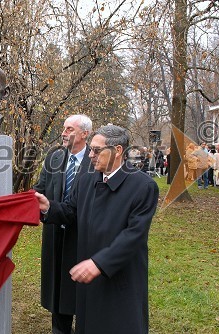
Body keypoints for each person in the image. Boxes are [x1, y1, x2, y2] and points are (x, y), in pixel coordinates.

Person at [35, 125, 159, 334]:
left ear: (118, 150)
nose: (91, 155)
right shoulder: (87, 180)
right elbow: (71, 211)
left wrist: (99, 263)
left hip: (121, 279)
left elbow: (134, 235)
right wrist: (49, 207)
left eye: (96, 150)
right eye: (91, 149)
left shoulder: (142, 186)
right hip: (89, 280)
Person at [33, 114, 93, 334]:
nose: (64, 133)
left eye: (69, 129)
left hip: (83, 237)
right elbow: (40, 188)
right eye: (64, 129)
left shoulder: (95, 162)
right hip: (55, 235)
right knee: (58, 293)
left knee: (83, 294)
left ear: (85, 134)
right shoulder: (54, 158)